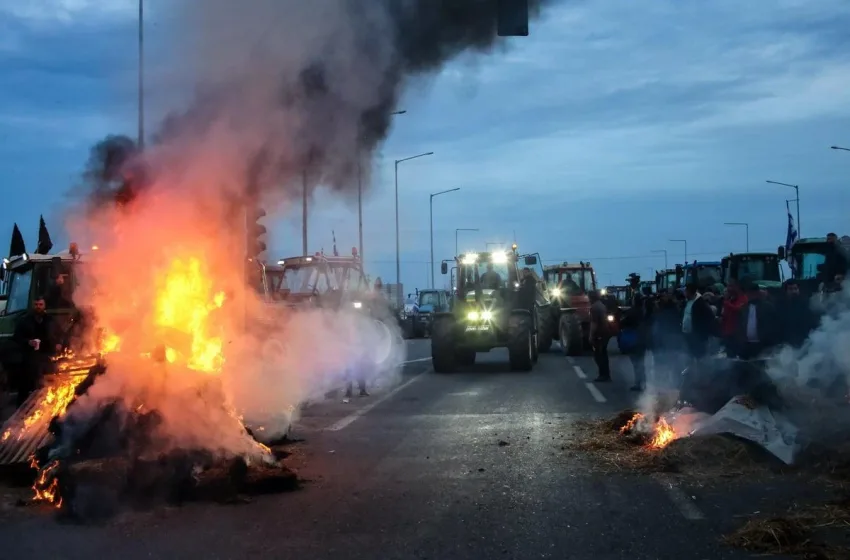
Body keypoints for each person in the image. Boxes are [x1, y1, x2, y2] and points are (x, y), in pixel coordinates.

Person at [12, 296, 62, 406]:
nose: (38, 307)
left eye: (40, 305)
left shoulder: (51, 320)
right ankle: (22, 408)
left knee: (48, 384)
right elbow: (16, 338)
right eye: (36, 305)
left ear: (44, 306)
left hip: (47, 357)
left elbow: (60, 335)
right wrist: (28, 342)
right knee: (26, 385)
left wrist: (59, 343)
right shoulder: (24, 321)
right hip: (30, 358)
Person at [735, 279, 780, 359]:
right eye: (748, 293)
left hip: (762, 345)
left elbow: (773, 327)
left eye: (752, 293)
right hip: (746, 346)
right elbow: (740, 326)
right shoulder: (743, 308)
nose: (750, 295)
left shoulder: (768, 307)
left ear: (757, 293)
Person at [779, 279, 818, 348]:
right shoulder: (780, 306)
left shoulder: (806, 305)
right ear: (786, 291)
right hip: (785, 345)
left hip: (804, 344)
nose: (794, 291)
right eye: (790, 289)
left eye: (795, 288)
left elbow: (812, 325)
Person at [681, 283, 715, 360]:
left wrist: (702, 332)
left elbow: (709, 317)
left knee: (699, 357)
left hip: (697, 336)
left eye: (686, 291)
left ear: (690, 291)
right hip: (688, 335)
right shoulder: (687, 302)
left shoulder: (700, 303)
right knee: (690, 356)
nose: (684, 293)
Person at [720, 279, 748, 357]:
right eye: (728, 286)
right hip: (727, 332)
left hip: (737, 333)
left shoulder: (743, 298)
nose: (729, 289)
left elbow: (738, 309)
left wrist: (727, 303)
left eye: (731, 286)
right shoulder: (731, 299)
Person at [588, 290, 611, 382]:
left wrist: (590, 335)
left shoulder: (594, 307)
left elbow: (594, 323)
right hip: (606, 332)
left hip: (600, 333)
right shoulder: (601, 305)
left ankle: (603, 375)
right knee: (603, 354)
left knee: (598, 355)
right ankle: (606, 374)